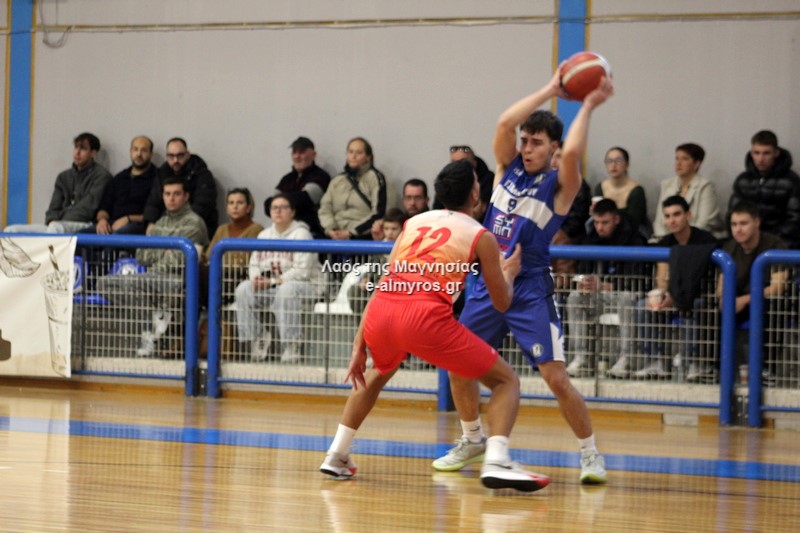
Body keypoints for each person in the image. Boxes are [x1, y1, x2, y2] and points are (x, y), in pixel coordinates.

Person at [319, 160, 551, 492]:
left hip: (383, 311)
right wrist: (509, 273)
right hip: (424, 315)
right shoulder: (480, 235)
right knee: (505, 381)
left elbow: (386, 281)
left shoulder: (413, 223)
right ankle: (497, 459)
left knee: (376, 373)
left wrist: (360, 343)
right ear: (475, 194)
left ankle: (337, 454)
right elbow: (501, 302)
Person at [432, 71, 614, 485]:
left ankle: (590, 453)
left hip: (529, 287)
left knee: (556, 378)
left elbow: (573, 153)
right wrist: (551, 89)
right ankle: (472, 439)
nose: (527, 147)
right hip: (489, 282)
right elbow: (504, 124)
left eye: (537, 142)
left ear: (553, 148)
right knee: (457, 364)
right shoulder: (506, 168)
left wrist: (586, 105)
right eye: (526, 140)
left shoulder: (560, 185)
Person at [96, 176, 209, 358]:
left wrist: (158, 249)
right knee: (104, 283)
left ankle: (151, 333)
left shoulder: (194, 222)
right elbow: (141, 256)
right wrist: (165, 250)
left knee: (137, 285)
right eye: (167, 194)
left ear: (186, 196)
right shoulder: (161, 222)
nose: (171, 198)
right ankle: (154, 322)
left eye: (176, 194)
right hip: (153, 276)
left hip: (178, 279)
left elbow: (179, 260)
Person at [634, 196, 718, 381]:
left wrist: (677, 297)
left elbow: (705, 281)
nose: (672, 220)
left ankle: (694, 362)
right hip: (673, 297)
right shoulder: (664, 243)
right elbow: (662, 277)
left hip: (698, 297)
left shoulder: (705, 241)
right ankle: (655, 361)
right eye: (667, 216)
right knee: (642, 306)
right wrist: (661, 296)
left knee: (694, 305)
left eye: (677, 214)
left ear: (688, 215)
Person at [234, 193, 323, 363]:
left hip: (307, 286)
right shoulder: (264, 235)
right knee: (243, 288)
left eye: (283, 207)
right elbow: (254, 264)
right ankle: (258, 338)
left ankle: (291, 344)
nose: (278, 211)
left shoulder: (301, 234)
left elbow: (303, 271)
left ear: (292, 212)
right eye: (274, 208)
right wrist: (256, 279)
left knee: (286, 289)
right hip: (273, 287)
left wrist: (273, 281)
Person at [565, 199, 647, 379]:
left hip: (625, 294)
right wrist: (583, 283)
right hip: (599, 296)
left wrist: (608, 285)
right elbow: (582, 269)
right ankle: (581, 358)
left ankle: (626, 359)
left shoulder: (634, 239)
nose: (599, 227)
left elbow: (639, 279)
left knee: (626, 298)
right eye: (596, 222)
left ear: (616, 219)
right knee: (575, 297)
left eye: (604, 222)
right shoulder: (591, 238)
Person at [718, 200, 788, 383]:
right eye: (734, 224)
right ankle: (714, 367)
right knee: (707, 307)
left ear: (757, 222)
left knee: (772, 306)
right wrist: (724, 299)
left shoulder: (775, 245)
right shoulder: (729, 248)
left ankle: (767, 368)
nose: (738, 229)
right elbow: (721, 286)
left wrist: (745, 300)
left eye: (743, 223)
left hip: (764, 301)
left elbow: (778, 287)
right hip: (737, 302)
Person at [4, 133, 111, 233]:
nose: (77, 152)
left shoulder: (101, 176)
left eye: (83, 149)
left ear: (93, 153)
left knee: (55, 228)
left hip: (85, 224)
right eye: (76, 147)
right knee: (11, 230)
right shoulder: (63, 177)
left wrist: (59, 221)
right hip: (57, 224)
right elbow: (53, 208)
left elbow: (88, 209)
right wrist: (51, 219)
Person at [728, 130, 800, 249]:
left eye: (766, 153)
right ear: (751, 153)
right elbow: (733, 214)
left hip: (781, 244)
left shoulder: (791, 181)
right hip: (746, 241)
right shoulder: (743, 180)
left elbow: (795, 220)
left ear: (776, 153)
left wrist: (766, 240)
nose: (760, 159)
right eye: (756, 153)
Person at [79, 135, 157, 236]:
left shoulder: (156, 178)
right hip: (112, 223)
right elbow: (104, 208)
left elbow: (154, 213)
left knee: (119, 235)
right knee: (80, 235)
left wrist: (128, 218)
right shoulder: (119, 178)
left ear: (151, 154)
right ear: (130, 152)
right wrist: (102, 220)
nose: (138, 154)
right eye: (135, 149)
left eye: (144, 150)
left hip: (137, 225)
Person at [143, 137, 218, 238]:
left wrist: (177, 224)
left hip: (196, 225)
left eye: (180, 155)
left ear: (187, 154)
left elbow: (203, 206)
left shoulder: (202, 174)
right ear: (166, 156)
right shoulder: (162, 173)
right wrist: (151, 222)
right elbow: (153, 201)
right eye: (171, 156)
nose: (175, 160)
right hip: (167, 223)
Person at [201, 188, 264, 305]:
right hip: (217, 274)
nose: (235, 207)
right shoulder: (222, 229)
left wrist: (220, 260)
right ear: (227, 208)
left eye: (240, 203)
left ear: (248, 208)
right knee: (195, 269)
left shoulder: (256, 229)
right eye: (231, 203)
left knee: (206, 274)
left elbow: (243, 261)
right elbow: (209, 256)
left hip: (239, 277)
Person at [318, 137, 390, 240]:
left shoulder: (375, 177)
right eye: (350, 152)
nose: (353, 156)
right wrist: (331, 229)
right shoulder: (338, 180)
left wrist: (351, 233)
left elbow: (378, 213)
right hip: (334, 234)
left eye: (359, 153)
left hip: (361, 236)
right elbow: (325, 208)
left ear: (368, 157)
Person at [651, 143, 725, 241]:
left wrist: (681, 238)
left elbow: (704, 223)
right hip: (667, 239)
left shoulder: (705, 186)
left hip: (696, 240)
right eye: (677, 159)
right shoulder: (666, 185)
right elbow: (659, 221)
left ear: (697, 164)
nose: (678, 163)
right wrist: (667, 240)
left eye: (685, 159)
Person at [266, 136, 331, 239]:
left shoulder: (320, 176)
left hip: (312, 233)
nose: (297, 156)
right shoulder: (286, 179)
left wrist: (281, 201)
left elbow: (305, 199)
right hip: (283, 233)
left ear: (313, 155)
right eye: (294, 152)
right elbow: (268, 205)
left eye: (301, 152)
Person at [593, 146, 649, 237]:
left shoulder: (637, 191)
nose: (613, 165)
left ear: (627, 164)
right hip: (605, 232)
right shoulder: (600, 188)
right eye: (609, 161)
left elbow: (634, 222)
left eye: (618, 161)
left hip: (631, 233)